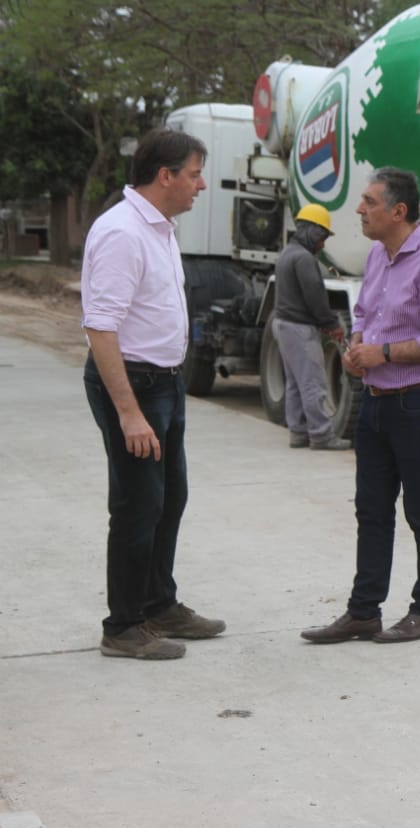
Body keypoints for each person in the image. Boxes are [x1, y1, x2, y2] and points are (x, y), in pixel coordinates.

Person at [301, 168, 420, 645]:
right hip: (375, 401)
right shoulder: (378, 255)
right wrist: (357, 348)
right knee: (371, 510)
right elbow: (365, 314)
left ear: (398, 211)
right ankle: (363, 611)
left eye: (369, 202)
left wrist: (385, 353)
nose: (359, 210)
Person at [81, 127, 226, 660]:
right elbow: (101, 327)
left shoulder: (159, 228)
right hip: (135, 386)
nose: (201, 185)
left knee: (170, 499)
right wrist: (129, 413)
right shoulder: (122, 232)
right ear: (164, 176)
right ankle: (122, 627)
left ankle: (158, 604)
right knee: (138, 506)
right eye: (193, 174)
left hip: (164, 381)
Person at [272, 203, 350, 451]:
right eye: (323, 236)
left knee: (295, 382)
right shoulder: (304, 259)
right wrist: (331, 323)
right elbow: (315, 296)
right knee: (313, 383)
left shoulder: (287, 253)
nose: (323, 243)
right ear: (313, 232)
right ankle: (321, 435)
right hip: (299, 328)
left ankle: (298, 433)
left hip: (283, 325)